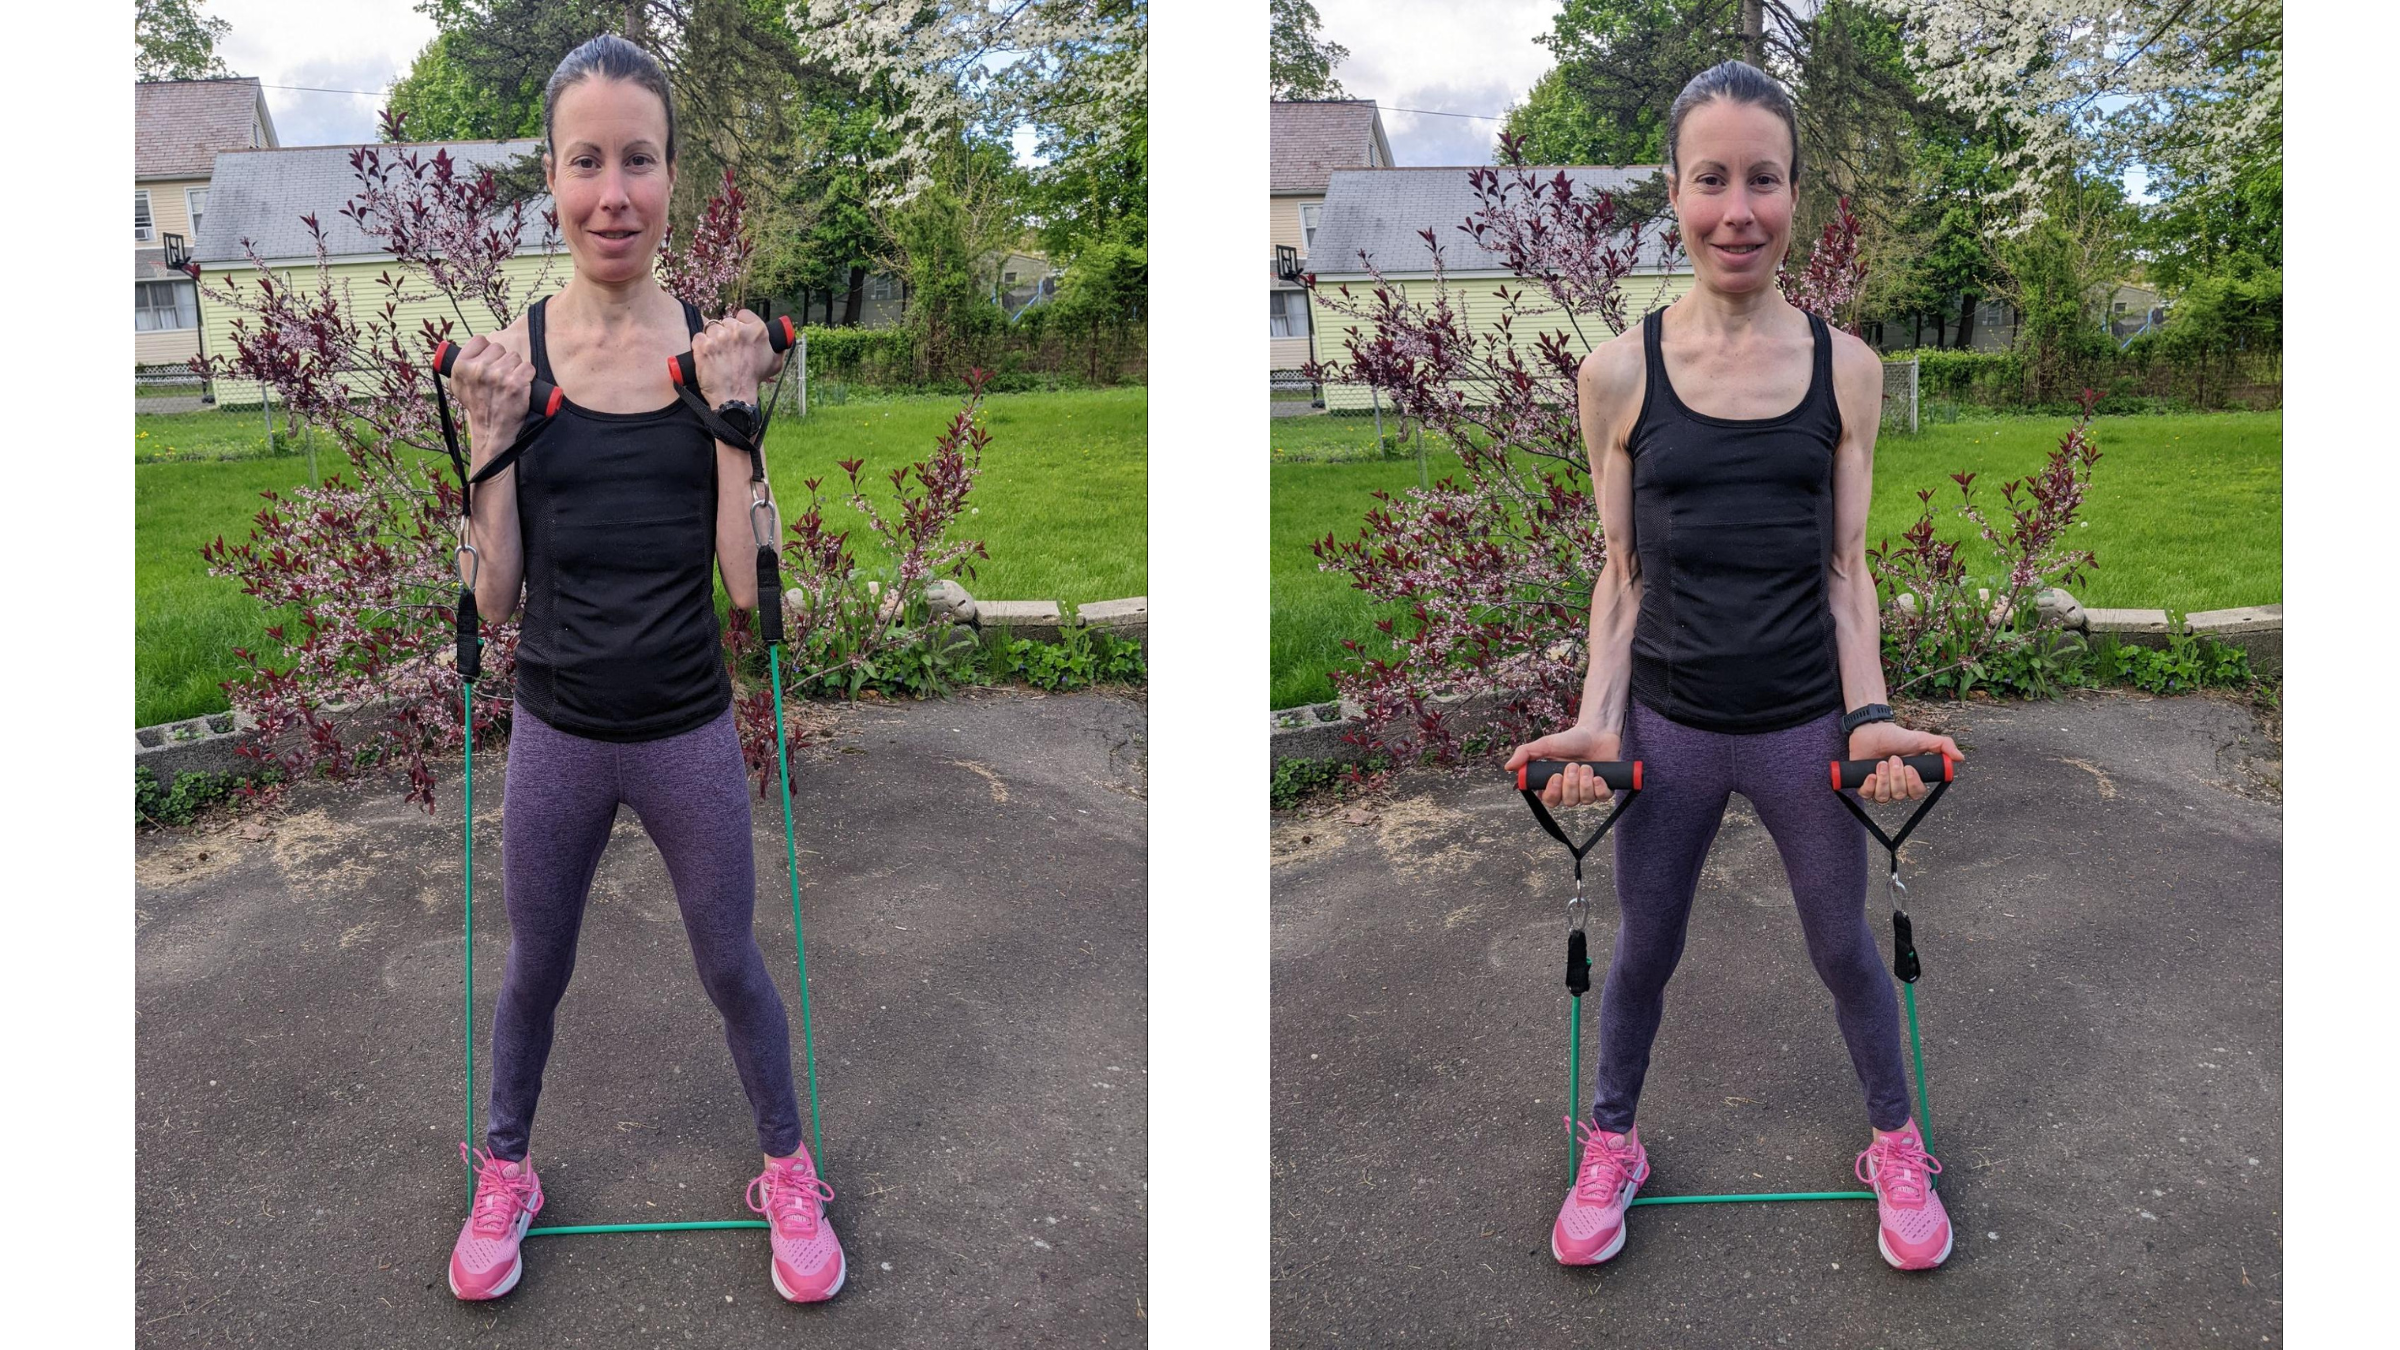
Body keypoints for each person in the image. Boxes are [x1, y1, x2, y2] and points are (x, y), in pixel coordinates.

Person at [1504, 59, 1963, 1273]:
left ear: (1795, 193)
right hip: (1673, 724)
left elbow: (1846, 568)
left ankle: (1896, 1143)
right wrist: (1597, 721)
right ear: (1675, 192)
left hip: (1804, 722)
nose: (1738, 210)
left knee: (1844, 948)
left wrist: (1870, 716)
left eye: (1764, 179)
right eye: (1711, 180)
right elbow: (1622, 575)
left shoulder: (1848, 368)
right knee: (1643, 950)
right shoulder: (1617, 374)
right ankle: (1613, 1143)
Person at [438, 34, 841, 1304]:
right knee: (535, 966)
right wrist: (490, 435)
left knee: (729, 962)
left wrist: (734, 423)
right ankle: (507, 1169)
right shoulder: (515, 360)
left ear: (672, 175)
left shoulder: (713, 352)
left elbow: (749, 592)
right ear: (552, 180)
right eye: (586, 162)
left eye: (639, 161)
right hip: (558, 728)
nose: (613, 194)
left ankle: (789, 1167)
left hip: (683, 728)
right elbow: (491, 601)